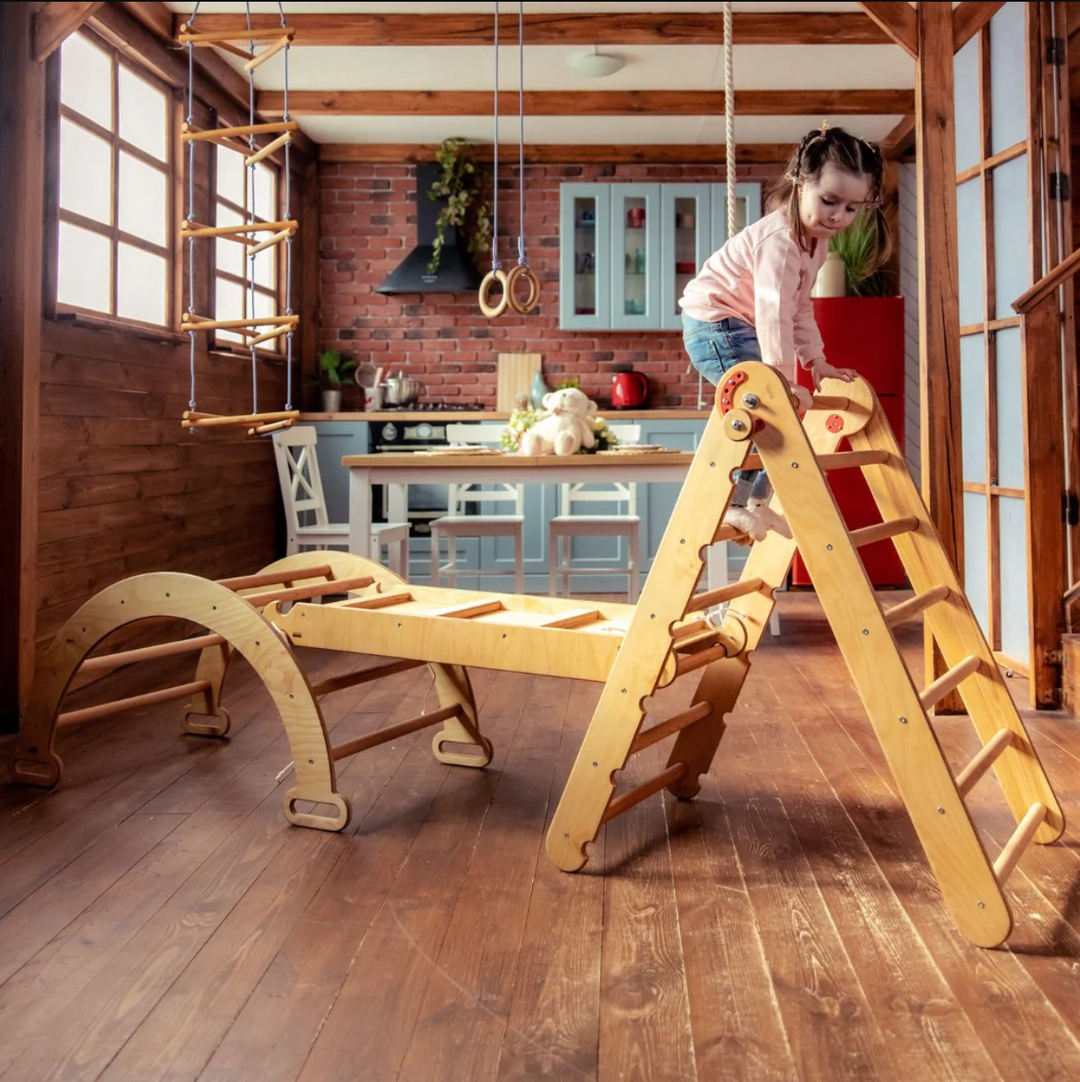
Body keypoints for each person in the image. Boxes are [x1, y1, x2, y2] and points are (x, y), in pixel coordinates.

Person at [680, 123, 892, 542]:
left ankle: (756, 505)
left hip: (740, 326)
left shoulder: (816, 242)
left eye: (852, 208)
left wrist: (816, 360)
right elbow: (772, 311)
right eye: (830, 201)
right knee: (766, 409)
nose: (838, 216)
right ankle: (735, 505)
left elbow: (798, 308)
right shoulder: (779, 240)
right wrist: (781, 378)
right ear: (799, 184)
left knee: (781, 421)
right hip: (716, 324)